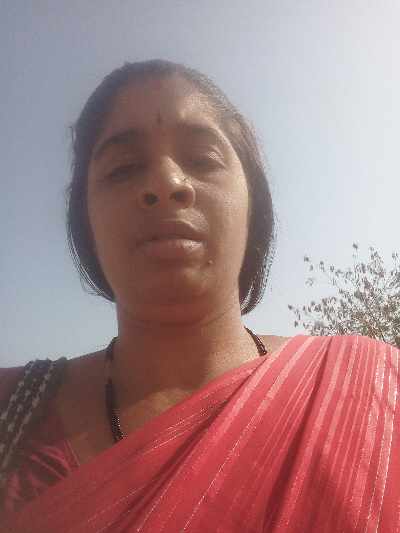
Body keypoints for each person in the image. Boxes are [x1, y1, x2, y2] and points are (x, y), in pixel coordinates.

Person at [0, 59, 398, 532]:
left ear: (252, 199)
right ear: (84, 219)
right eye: (124, 168)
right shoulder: (12, 414)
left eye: (203, 159)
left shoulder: (377, 391)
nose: (166, 184)